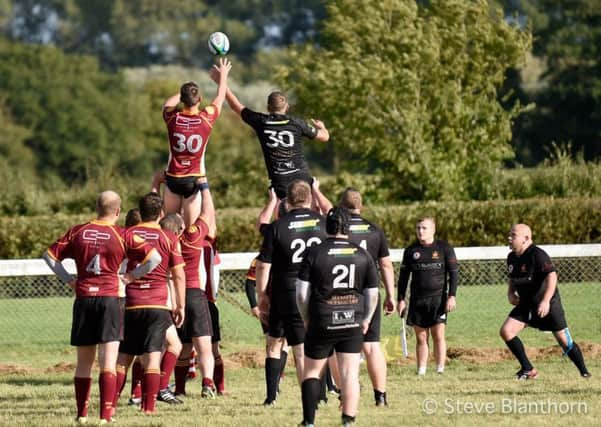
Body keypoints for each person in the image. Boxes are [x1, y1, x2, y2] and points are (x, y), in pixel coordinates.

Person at [43, 191, 161, 424]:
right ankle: (106, 416)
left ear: (97, 207)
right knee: (108, 361)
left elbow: (48, 256)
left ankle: (82, 414)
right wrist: (131, 276)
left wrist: (69, 280)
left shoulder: (77, 231)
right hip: (110, 299)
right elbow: (154, 258)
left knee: (84, 362)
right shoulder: (122, 234)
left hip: (84, 298)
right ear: (118, 211)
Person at [296, 207, 380, 427]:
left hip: (322, 319)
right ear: (347, 228)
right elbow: (373, 294)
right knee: (350, 372)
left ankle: (309, 422)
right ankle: (348, 420)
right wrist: (367, 319)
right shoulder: (363, 255)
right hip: (353, 319)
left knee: (312, 371)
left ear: (328, 227)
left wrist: (307, 319)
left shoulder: (314, 252)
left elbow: (302, 294)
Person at [256, 179, 328, 406]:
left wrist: (261, 294)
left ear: (287, 201)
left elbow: (263, 265)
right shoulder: (324, 223)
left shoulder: (277, 227)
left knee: (275, 341)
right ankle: (315, 396)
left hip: (285, 291)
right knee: (306, 345)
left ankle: (272, 396)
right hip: (316, 289)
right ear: (309, 199)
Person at [114, 192, 186, 414]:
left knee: (123, 358)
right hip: (157, 304)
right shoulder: (169, 238)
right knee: (153, 357)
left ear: (140, 211)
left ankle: (111, 405)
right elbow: (178, 275)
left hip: (130, 301)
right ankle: (148, 408)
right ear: (161, 213)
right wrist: (180, 305)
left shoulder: (126, 234)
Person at [209, 71, 329, 199]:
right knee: (310, 211)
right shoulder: (297, 124)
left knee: (283, 215)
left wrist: (222, 83)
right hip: (301, 176)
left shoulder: (261, 121)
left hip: (280, 180)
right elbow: (324, 137)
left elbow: (235, 106)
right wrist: (322, 127)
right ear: (287, 107)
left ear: (268, 107)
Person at [500, 223, 590, 379]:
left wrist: (546, 301)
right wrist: (510, 293)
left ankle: (584, 372)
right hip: (526, 304)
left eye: (513, 235)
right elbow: (512, 278)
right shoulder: (511, 257)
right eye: (509, 234)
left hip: (548, 305)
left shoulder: (537, 255)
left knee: (564, 341)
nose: (509, 238)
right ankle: (528, 369)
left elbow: (552, 276)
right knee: (506, 331)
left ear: (526, 238)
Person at [339, 187, 395, 406]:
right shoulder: (374, 230)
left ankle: (347, 392)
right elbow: (386, 265)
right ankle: (380, 396)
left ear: (342, 207)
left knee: (342, 346)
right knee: (372, 346)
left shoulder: (338, 229)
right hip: (369, 293)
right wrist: (391, 294)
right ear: (361, 206)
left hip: (343, 293)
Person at [162, 58, 231, 227]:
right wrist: (223, 76)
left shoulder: (172, 118)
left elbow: (167, 104)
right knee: (190, 232)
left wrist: (182, 93)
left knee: (170, 232)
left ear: (183, 100)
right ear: (199, 99)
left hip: (172, 179)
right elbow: (220, 97)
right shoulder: (205, 118)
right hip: (193, 180)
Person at [171, 184, 220, 398]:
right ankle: (207, 385)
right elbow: (207, 213)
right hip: (194, 294)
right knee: (204, 347)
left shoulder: (165, 241)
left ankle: (179, 389)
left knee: (182, 348)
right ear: (181, 226)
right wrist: (204, 187)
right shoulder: (191, 237)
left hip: (174, 297)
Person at [397, 217, 458, 376]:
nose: (420, 231)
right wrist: (401, 299)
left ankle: (440, 369)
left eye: (424, 228)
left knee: (438, 335)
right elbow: (403, 278)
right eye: (418, 228)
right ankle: (421, 370)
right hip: (417, 300)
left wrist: (452, 296)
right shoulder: (411, 251)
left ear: (433, 230)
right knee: (421, 337)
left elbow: (453, 273)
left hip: (438, 300)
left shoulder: (444, 248)